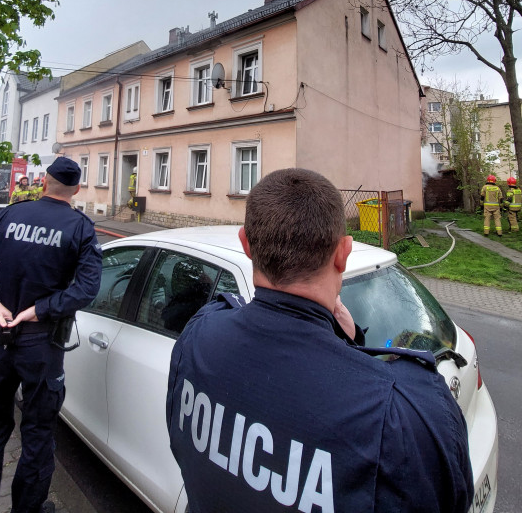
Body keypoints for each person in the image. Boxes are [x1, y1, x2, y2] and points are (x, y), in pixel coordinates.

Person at [166, 168, 473, 513]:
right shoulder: (404, 412)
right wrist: (352, 345)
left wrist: (348, 339)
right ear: (343, 253)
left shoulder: (198, 336)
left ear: (246, 245)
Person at [0, 157, 102, 513]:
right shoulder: (80, 227)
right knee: (37, 435)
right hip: (41, 346)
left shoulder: (9, 215)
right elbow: (87, 289)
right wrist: (42, 308)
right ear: (76, 190)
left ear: (44, 182)